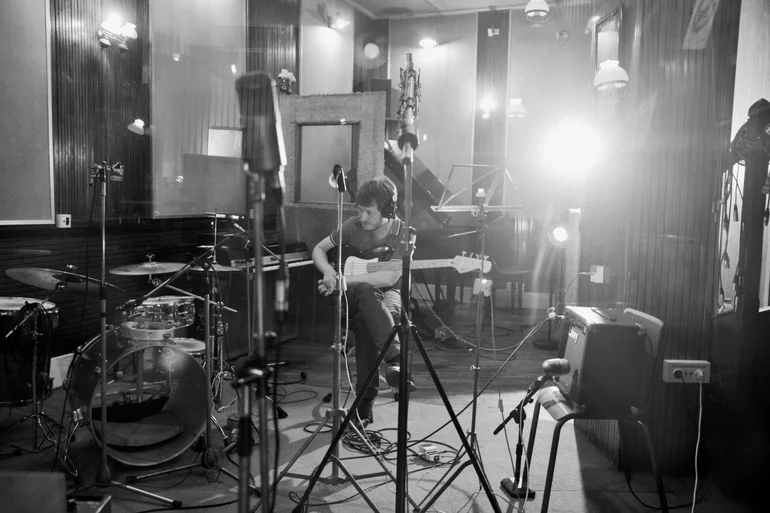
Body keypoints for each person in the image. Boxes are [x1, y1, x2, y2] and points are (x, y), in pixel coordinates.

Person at [312, 176, 416, 427]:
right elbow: (318, 249)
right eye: (359, 210)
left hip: (387, 291)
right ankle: (396, 361)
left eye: (368, 212)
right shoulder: (351, 226)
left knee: (370, 317)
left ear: (388, 210)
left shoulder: (403, 233)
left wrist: (346, 279)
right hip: (354, 293)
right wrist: (329, 273)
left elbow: (390, 277)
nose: (362, 217)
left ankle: (365, 404)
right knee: (368, 296)